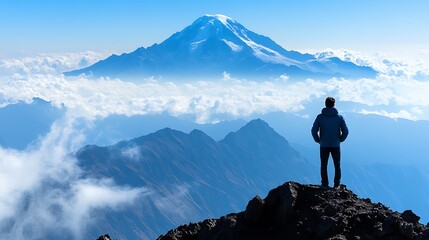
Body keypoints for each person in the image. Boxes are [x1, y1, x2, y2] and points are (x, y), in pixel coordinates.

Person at [311, 97, 349, 189]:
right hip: (335, 145)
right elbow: (346, 131)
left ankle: (324, 184)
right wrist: (340, 139)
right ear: (334, 104)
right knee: (337, 164)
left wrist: (318, 140)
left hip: (324, 145)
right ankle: (336, 185)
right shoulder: (339, 117)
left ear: (325, 104)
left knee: (324, 165)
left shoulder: (320, 117)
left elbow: (313, 130)